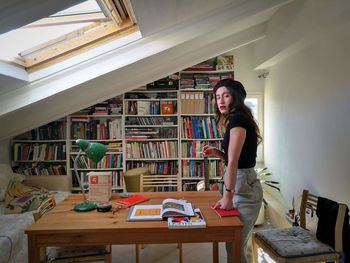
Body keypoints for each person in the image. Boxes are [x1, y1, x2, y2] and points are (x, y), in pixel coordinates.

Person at [203, 79, 263, 263]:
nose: (220, 101)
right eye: (217, 97)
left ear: (235, 98)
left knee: (234, 244)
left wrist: (228, 196)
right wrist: (218, 153)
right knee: (238, 244)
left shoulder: (237, 120)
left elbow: (236, 161)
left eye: (226, 96)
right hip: (241, 182)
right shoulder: (237, 119)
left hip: (242, 187)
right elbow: (236, 159)